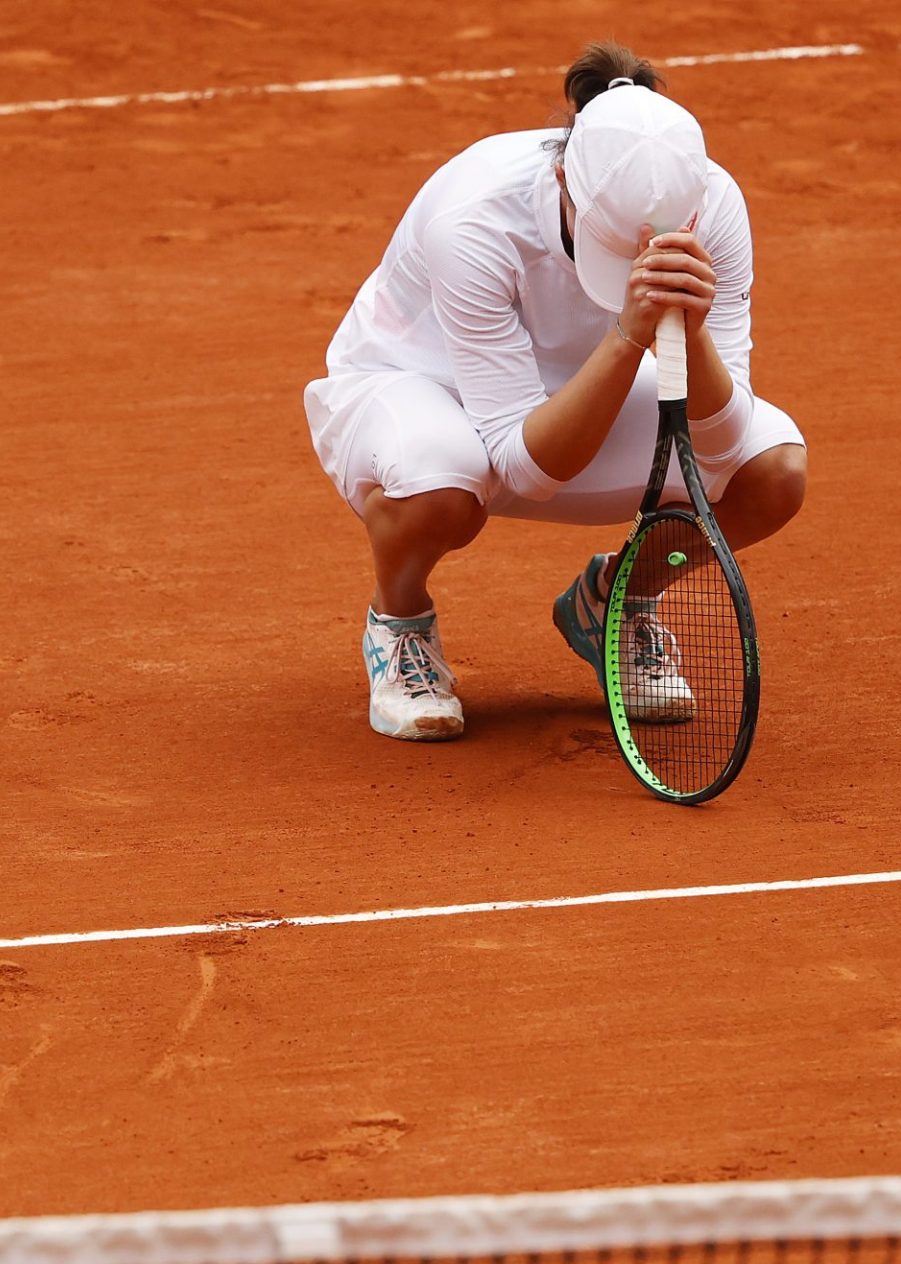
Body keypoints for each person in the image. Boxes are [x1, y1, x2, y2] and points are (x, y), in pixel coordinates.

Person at [303, 43, 808, 741]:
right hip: (419, 387)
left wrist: (688, 335)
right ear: (565, 179)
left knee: (770, 474)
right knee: (442, 482)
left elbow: (719, 447)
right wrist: (631, 335)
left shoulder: (713, 204)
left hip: (580, 398)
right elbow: (525, 469)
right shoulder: (475, 220)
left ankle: (615, 599)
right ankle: (400, 622)